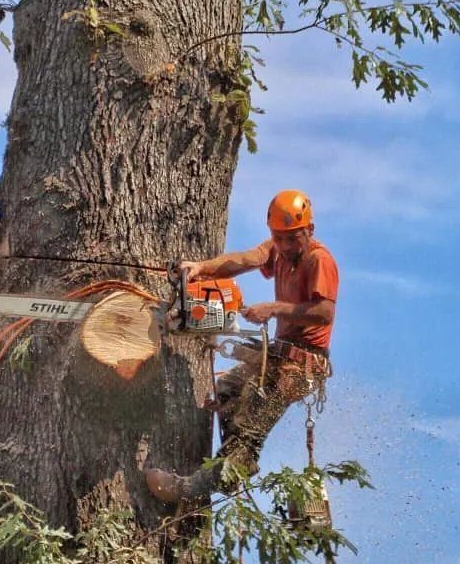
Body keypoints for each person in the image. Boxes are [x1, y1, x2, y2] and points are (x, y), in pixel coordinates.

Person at [145, 189, 339, 503]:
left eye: (294, 238)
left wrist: (274, 309)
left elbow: (324, 313)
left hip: (302, 366)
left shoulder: (319, 260)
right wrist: (203, 268)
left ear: (310, 231)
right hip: (277, 354)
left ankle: (190, 489)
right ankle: (236, 466)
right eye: (280, 238)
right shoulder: (276, 249)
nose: (287, 246)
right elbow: (246, 260)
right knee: (227, 393)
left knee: (250, 429)